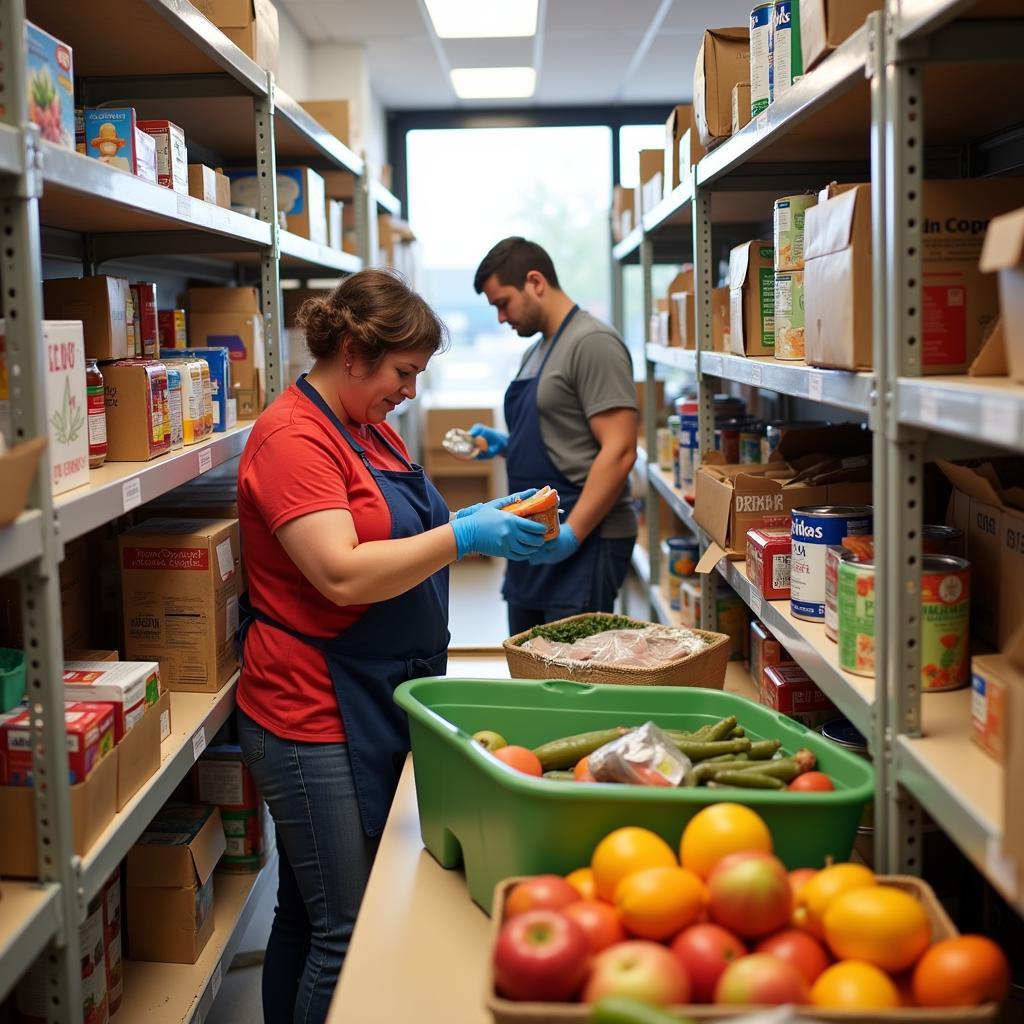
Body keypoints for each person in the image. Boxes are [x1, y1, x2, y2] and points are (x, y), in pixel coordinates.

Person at [234, 269, 547, 1024]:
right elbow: (340, 574)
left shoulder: (363, 424)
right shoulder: (293, 438)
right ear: (352, 351)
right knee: (344, 932)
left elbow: (394, 527)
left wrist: (473, 513)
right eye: (403, 372)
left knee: (306, 918)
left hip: (370, 692)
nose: (408, 390)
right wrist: (464, 536)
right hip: (311, 709)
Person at [472, 237, 638, 634]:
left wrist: (573, 533)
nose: (500, 318)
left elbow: (620, 450)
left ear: (535, 282)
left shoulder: (592, 342)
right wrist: (506, 446)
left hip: (585, 537)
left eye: (502, 303)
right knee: (530, 670)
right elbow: (565, 440)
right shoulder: (539, 348)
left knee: (574, 682)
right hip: (537, 538)